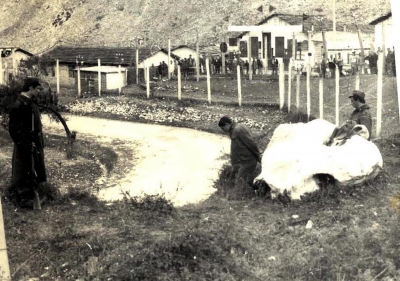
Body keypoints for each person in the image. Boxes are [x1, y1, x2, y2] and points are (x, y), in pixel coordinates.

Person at [9, 77, 47, 208]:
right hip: (24, 145)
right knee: (23, 170)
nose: (38, 91)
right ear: (30, 88)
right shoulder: (18, 105)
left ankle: (34, 194)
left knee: (35, 169)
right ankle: (23, 199)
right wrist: (26, 144)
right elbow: (14, 130)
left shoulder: (30, 102)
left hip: (34, 143)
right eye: (36, 89)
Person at [218, 116, 262, 192]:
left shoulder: (238, 129)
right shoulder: (234, 130)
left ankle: (238, 199)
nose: (223, 131)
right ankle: (253, 193)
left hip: (248, 161)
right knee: (245, 181)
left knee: (239, 182)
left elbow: (251, 143)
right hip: (243, 161)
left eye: (223, 128)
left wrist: (258, 155)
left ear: (227, 125)